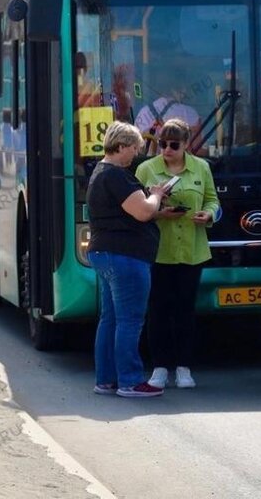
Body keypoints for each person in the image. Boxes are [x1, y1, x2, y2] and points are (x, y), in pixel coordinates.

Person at [86, 121, 175, 398]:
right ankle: (130, 381)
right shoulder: (116, 175)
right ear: (121, 146)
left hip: (105, 252)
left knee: (110, 318)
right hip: (126, 255)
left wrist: (152, 201)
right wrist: (157, 195)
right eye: (134, 148)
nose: (136, 154)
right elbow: (143, 212)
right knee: (130, 320)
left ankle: (106, 379)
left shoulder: (99, 173)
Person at [135, 118, 220, 390]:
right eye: (162, 144)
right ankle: (159, 367)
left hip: (191, 250)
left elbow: (212, 199)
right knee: (158, 310)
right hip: (158, 250)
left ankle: (184, 367)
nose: (166, 150)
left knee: (185, 310)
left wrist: (209, 215)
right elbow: (135, 208)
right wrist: (160, 213)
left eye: (173, 145)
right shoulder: (146, 169)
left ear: (186, 145)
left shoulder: (201, 168)